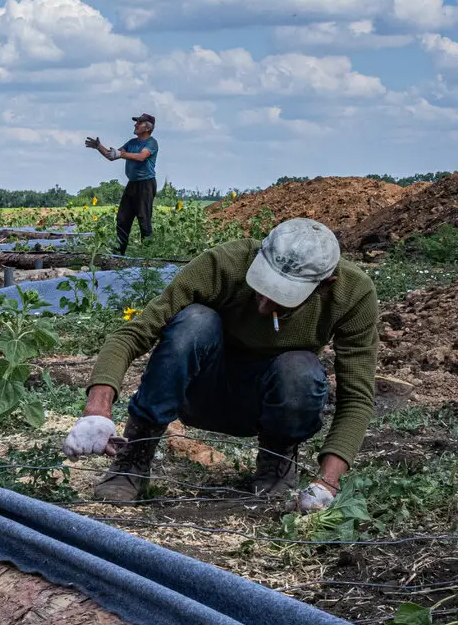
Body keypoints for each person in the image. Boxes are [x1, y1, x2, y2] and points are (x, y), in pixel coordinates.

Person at [62, 218, 376, 509]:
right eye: (262, 286)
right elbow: (135, 332)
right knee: (195, 322)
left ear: (324, 285)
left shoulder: (352, 294)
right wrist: (96, 411)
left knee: (300, 368)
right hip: (200, 392)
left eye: (282, 296)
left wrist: (327, 483)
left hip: (266, 403)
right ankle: (133, 458)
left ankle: (275, 465)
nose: (264, 304)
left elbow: (356, 397)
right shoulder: (225, 263)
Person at [86, 113, 158, 254]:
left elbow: (142, 157)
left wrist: (122, 154)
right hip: (132, 184)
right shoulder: (131, 143)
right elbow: (112, 155)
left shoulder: (151, 143)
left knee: (144, 219)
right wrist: (98, 146)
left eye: (139, 123)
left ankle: (149, 254)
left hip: (146, 184)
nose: (135, 125)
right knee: (122, 218)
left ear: (147, 128)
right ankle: (119, 252)